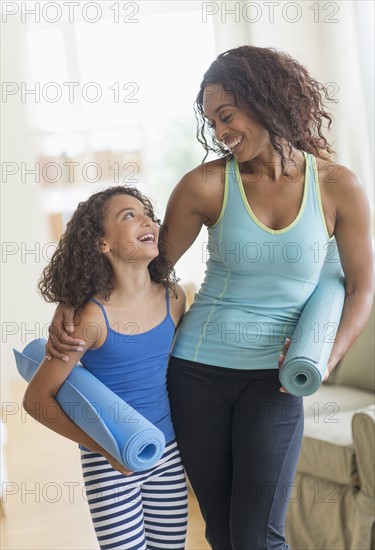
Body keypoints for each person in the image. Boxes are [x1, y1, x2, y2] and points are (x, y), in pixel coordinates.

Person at [46, 46, 374, 549]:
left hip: (277, 380)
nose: (221, 132)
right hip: (196, 373)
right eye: (212, 122)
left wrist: (326, 358)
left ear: (268, 100)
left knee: (257, 535)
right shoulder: (205, 184)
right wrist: (73, 302)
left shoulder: (336, 186)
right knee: (221, 534)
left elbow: (360, 286)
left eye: (227, 116)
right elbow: (146, 274)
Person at [23, 186, 188, 550]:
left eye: (147, 213)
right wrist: (101, 448)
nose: (147, 220)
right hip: (107, 463)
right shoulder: (91, 318)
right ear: (102, 244)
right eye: (128, 216)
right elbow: (36, 399)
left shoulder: (174, 298)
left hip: (167, 452)